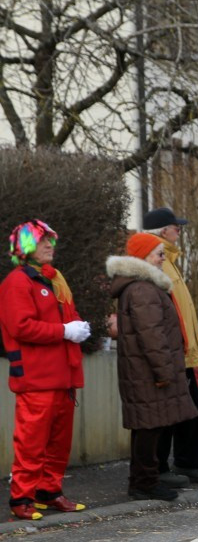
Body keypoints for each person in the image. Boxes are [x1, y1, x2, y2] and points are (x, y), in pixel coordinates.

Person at [1, 221, 91, 520]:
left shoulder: (53, 279)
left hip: (62, 375)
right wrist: (65, 331)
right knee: (32, 441)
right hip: (37, 376)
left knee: (58, 442)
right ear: (26, 248)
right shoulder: (17, 283)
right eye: (42, 242)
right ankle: (21, 498)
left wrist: (77, 326)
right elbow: (21, 327)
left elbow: (69, 314)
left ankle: (48, 491)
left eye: (50, 240)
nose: (50, 246)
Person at [108, 233, 198, 501]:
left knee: (146, 427)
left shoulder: (141, 287)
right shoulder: (142, 290)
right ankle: (144, 483)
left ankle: (142, 481)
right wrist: (164, 372)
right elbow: (153, 337)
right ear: (144, 257)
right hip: (148, 373)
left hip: (143, 372)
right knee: (149, 429)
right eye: (159, 254)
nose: (163, 259)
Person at [143, 207, 198, 486]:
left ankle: (186, 462)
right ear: (163, 231)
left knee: (190, 410)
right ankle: (164, 467)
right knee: (173, 412)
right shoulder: (157, 262)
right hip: (172, 352)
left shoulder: (169, 261)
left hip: (180, 351)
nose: (180, 230)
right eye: (176, 226)